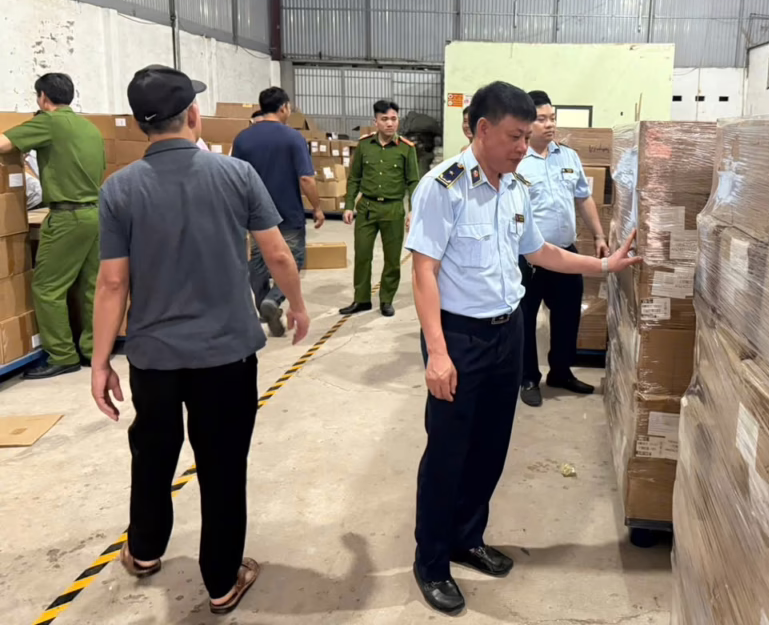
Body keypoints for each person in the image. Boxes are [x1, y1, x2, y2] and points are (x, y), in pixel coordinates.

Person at [405, 80, 640, 615]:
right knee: (447, 453)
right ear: (482, 129)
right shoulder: (444, 187)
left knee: (490, 446)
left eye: (526, 135)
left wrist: (604, 265)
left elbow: (540, 251)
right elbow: (424, 272)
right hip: (459, 337)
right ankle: (432, 561)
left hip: (507, 332)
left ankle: (467, 538)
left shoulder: (514, 187)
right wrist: (437, 353)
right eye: (515, 136)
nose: (523, 146)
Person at [90, 65, 311, 616]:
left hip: (154, 359)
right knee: (222, 465)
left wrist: (100, 362)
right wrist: (298, 305)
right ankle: (220, 581)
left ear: (141, 124)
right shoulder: (235, 175)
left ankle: (144, 551)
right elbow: (277, 253)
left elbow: (113, 282)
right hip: (226, 356)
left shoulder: (119, 189)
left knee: (153, 455)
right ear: (193, 115)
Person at [0, 73, 105, 379]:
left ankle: (61, 355)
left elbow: (4, 144)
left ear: (43, 97)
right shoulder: (89, 127)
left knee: (47, 287)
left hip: (67, 217)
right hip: (96, 214)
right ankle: (94, 350)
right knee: (91, 286)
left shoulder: (48, 122)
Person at [515, 91, 611, 407]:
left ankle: (561, 371)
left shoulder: (568, 157)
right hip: (528, 258)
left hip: (566, 253)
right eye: (541, 119)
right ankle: (528, 377)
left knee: (568, 316)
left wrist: (598, 235)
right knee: (525, 319)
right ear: (526, 123)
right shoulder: (516, 160)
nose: (550, 124)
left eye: (552, 118)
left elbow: (583, 197)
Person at [232, 87, 324, 336]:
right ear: (284, 107)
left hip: (254, 215)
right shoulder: (293, 138)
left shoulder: (242, 139)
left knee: (258, 264)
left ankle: (264, 306)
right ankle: (273, 299)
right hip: (288, 212)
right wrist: (317, 208)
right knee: (293, 259)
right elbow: (306, 179)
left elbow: (234, 177)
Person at [339, 100, 419, 318]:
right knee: (362, 255)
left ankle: (386, 300)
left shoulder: (406, 148)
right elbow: (354, 178)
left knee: (392, 259)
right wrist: (349, 205)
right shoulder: (364, 146)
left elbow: (413, 182)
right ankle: (362, 299)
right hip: (367, 208)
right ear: (375, 122)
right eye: (384, 119)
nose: (390, 124)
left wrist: (413, 211)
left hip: (393, 209)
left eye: (393, 119)